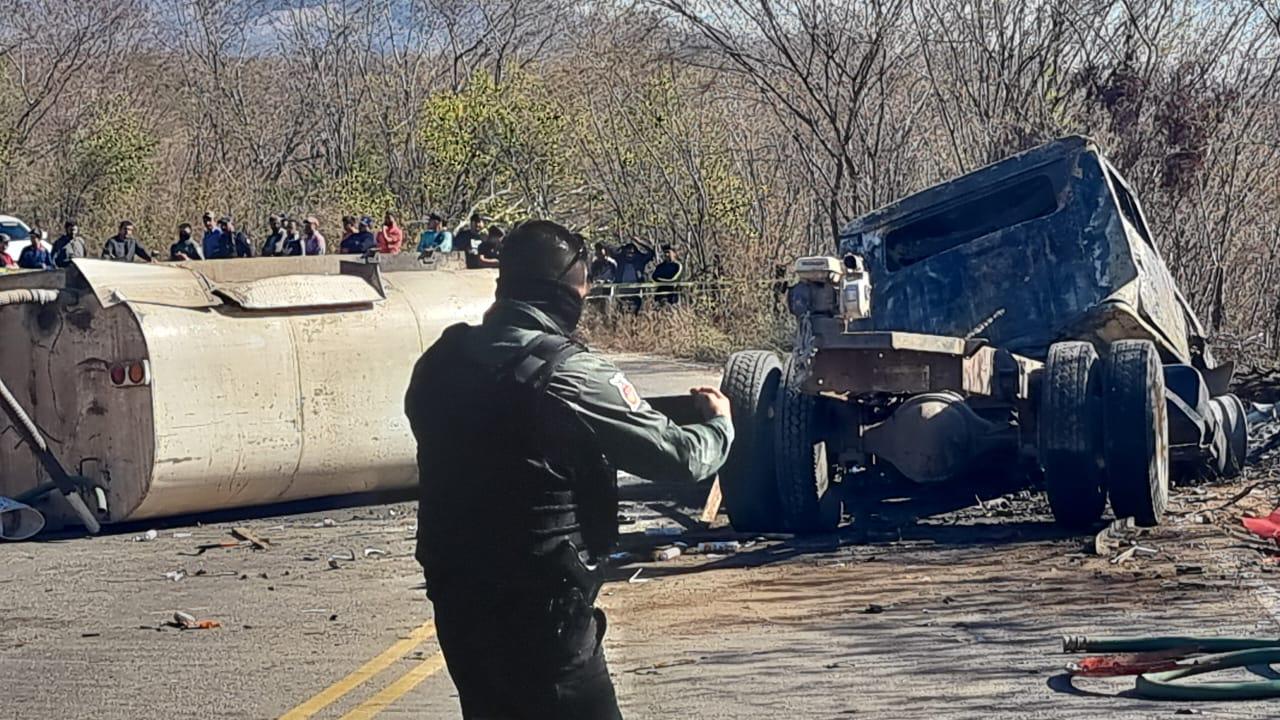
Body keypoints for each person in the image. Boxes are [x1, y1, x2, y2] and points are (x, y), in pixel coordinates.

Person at [405, 220, 734, 720]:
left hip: (459, 599)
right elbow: (679, 458)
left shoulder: (440, 361)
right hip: (543, 613)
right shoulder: (571, 372)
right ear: (568, 290)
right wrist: (720, 425)